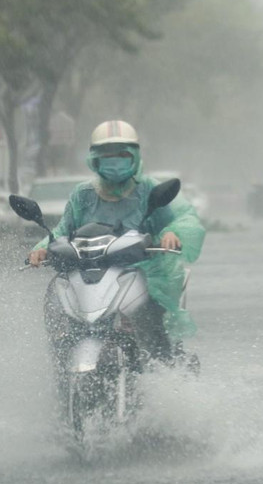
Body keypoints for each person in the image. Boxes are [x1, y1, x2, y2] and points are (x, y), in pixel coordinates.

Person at [27, 119, 205, 364]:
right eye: (107, 155)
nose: (115, 161)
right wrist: (42, 249)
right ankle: (62, 363)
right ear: (94, 159)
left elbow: (183, 218)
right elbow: (62, 230)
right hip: (89, 271)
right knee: (60, 307)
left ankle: (162, 364)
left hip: (144, 272)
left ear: (135, 156)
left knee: (151, 322)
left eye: (122, 154)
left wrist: (172, 233)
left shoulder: (149, 190)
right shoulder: (83, 194)